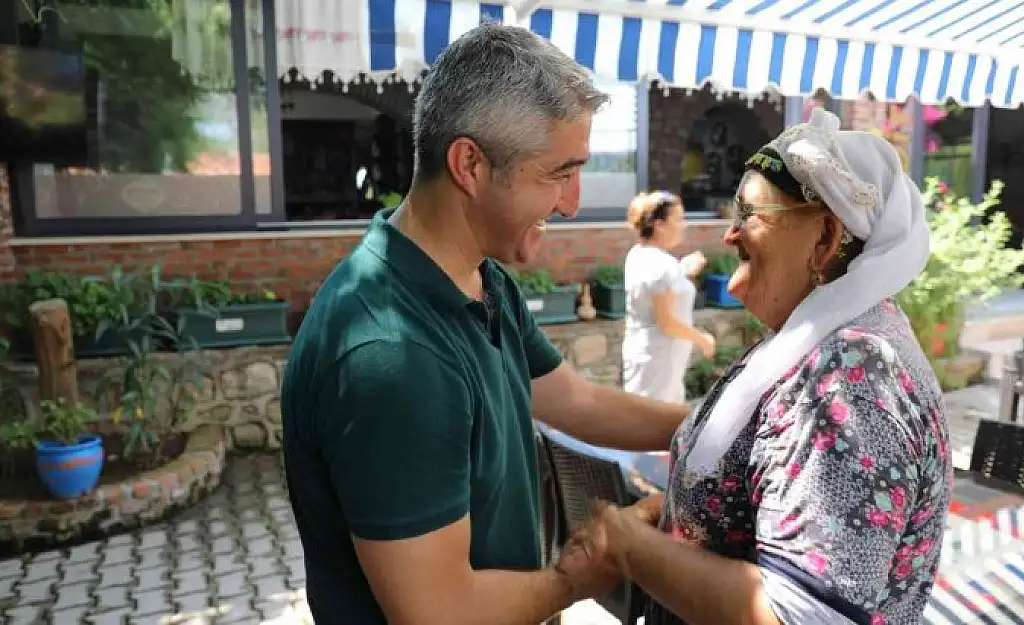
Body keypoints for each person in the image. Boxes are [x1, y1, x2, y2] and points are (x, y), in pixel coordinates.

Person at [279, 24, 690, 625]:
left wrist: (710, 428)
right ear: (469, 163)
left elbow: (574, 401)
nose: (571, 203)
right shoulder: (392, 355)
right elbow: (440, 614)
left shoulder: (478, 276)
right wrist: (587, 571)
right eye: (557, 173)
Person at [574, 108, 954, 625]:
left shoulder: (848, 379)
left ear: (825, 238)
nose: (730, 237)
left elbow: (798, 614)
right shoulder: (814, 341)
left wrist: (630, 544)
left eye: (749, 215)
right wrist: (676, 515)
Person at [623, 191, 716, 403]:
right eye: (679, 219)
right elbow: (667, 323)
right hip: (659, 361)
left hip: (651, 357)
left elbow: (659, 287)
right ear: (659, 224)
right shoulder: (662, 266)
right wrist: (702, 339)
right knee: (652, 420)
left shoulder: (640, 254)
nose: (683, 225)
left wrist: (681, 270)